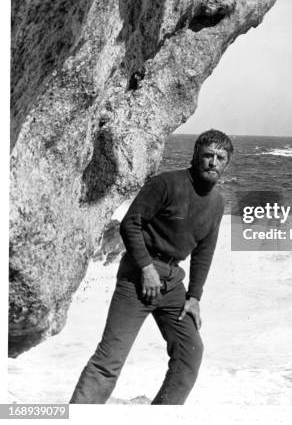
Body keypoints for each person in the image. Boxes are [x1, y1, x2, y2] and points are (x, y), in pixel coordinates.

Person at [70, 129, 233, 405]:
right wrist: (146, 268)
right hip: (137, 277)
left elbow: (204, 252)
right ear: (195, 156)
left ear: (226, 163)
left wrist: (194, 297)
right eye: (207, 155)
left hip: (172, 284)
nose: (212, 162)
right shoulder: (166, 184)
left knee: (190, 352)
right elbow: (130, 223)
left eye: (220, 157)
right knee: (109, 360)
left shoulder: (217, 203)